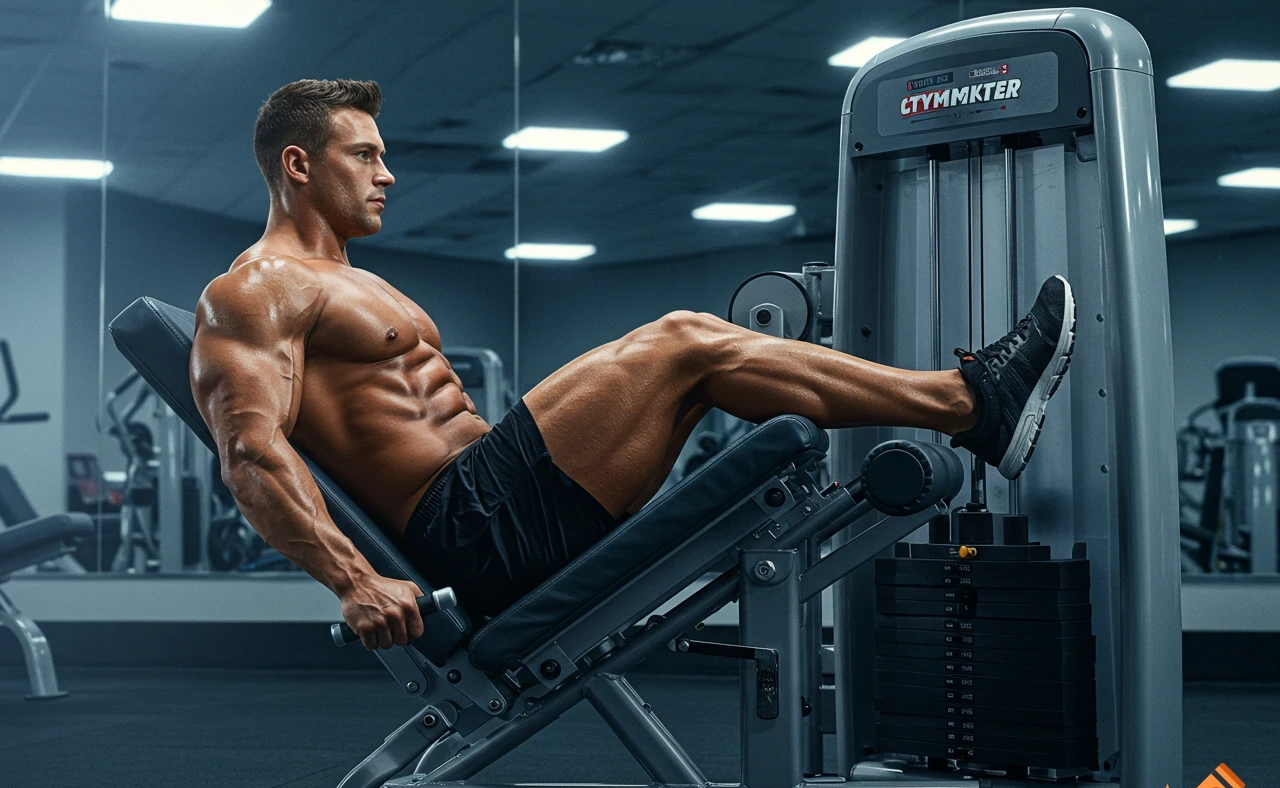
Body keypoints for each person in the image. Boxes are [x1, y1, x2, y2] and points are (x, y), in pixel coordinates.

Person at [191, 79, 1076, 651]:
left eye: (384, 156)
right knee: (684, 341)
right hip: (471, 529)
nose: (388, 174)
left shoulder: (348, 280)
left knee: (697, 352)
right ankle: (968, 401)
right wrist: (355, 582)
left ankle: (971, 406)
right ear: (298, 165)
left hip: (495, 497)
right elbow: (250, 452)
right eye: (365, 156)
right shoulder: (256, 289)